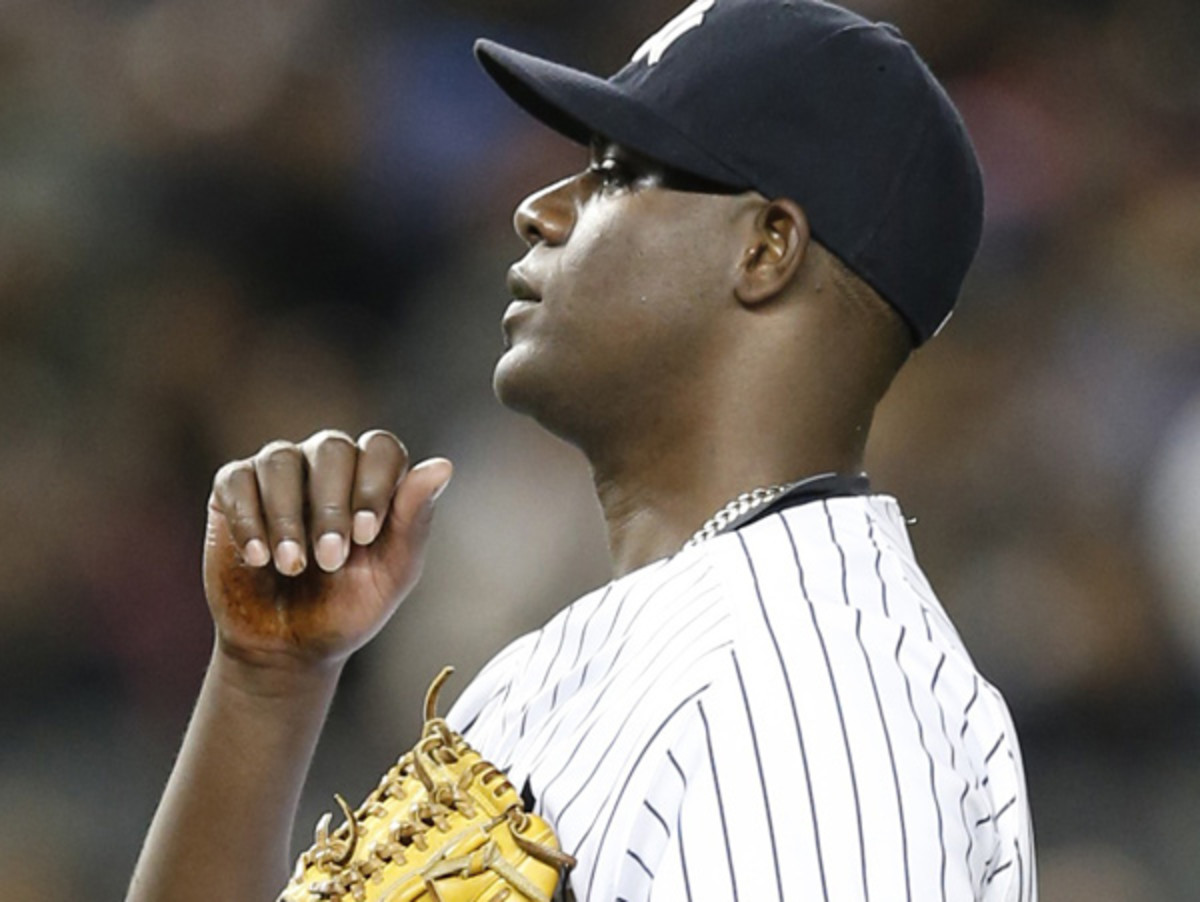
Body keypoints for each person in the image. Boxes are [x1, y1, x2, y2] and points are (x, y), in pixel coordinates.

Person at [127, 1, 1036, 900]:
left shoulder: (809, 692)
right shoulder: (557, 674)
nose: (539, 209)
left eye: (615, 173)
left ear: (766, 249)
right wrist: (267, 682)